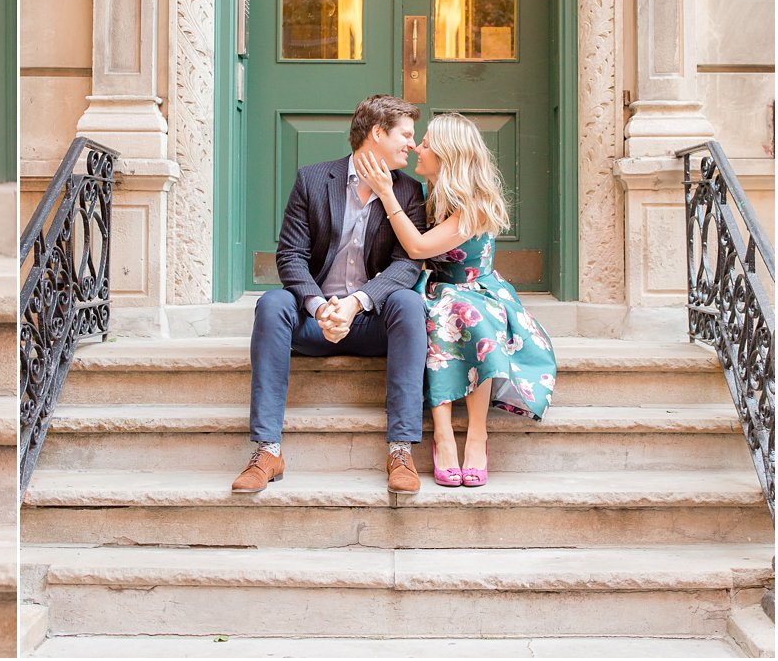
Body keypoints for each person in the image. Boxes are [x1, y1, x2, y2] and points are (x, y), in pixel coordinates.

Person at [233, 94, 430, 495]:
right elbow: (290, 254)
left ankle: (400, 450)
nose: (412, 144)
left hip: (373, 322)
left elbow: (407, 265)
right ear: (377, 133)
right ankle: (267, 450)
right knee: (272, 304)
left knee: (410, 303)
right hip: (316, 322)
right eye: (406, 135)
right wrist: (320, 306)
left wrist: (358, 302)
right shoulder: (313, 179)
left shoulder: (409, 191)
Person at [356, 112, 557, 487]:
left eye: (427, 143)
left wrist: (385, 194)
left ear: (449, 155)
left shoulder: (475, 204)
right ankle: (444, 435)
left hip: (475, 292)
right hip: (435, 289)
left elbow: (417, 247)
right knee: (428, 314)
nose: (417, 146)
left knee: (467, 313)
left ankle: (477, 436)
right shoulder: (426, 195)